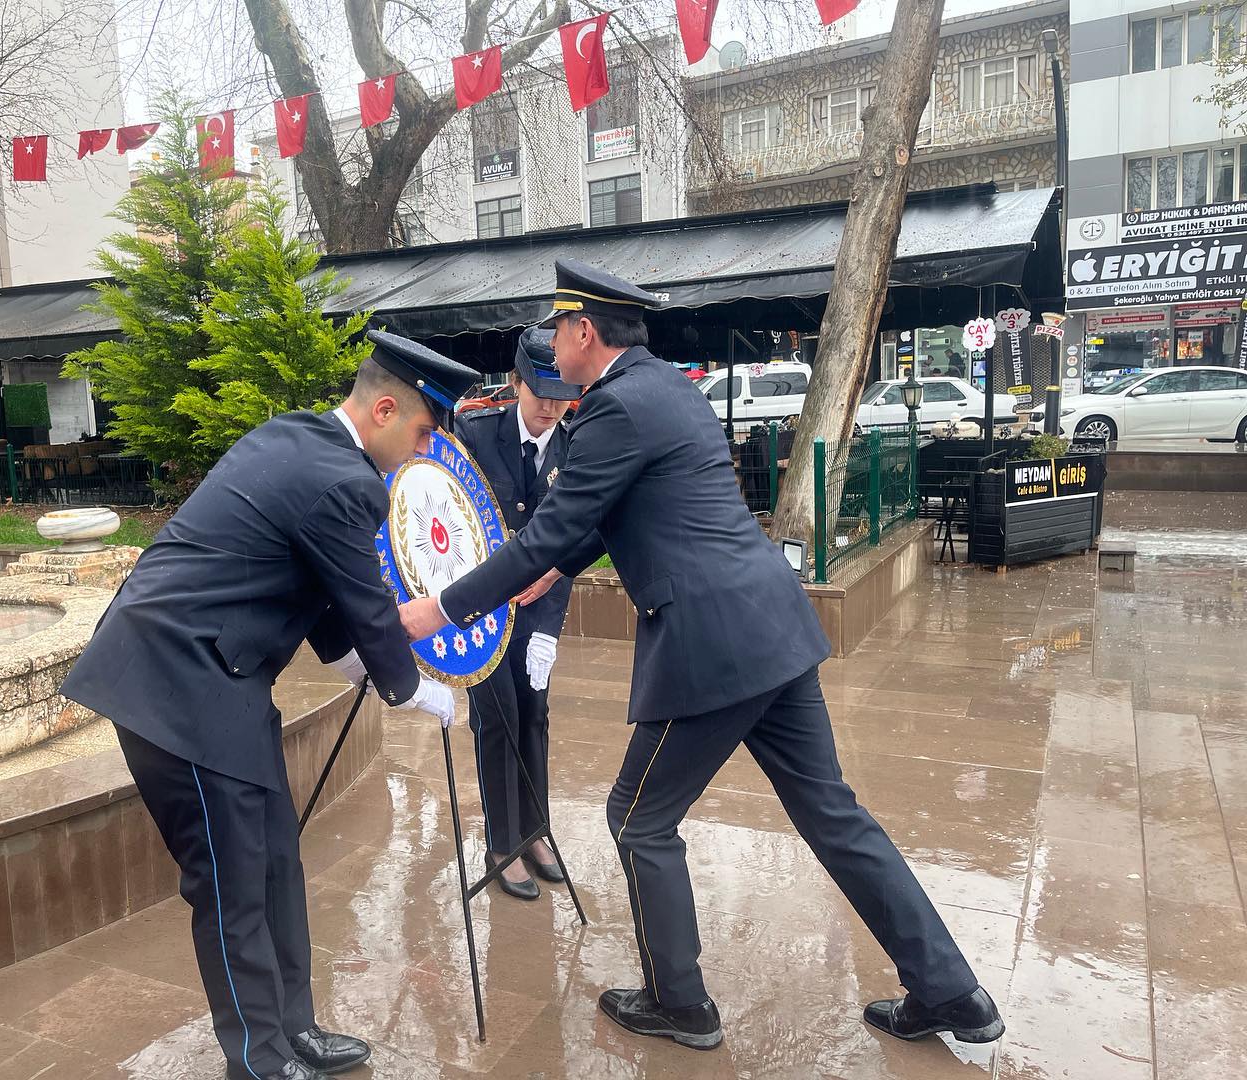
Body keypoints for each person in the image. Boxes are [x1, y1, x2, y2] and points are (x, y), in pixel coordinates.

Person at [399, 260, 1004, 1052]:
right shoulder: (666, 388)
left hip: (711, 642)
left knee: (638, 819)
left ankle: (679, 1002)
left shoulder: (611, 408)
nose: (552, 346)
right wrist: (555, 568)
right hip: (773, 626)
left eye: (558, 330)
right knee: (834, 815)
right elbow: (611, 516)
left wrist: (438, 607)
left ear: (584, 332)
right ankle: (952, 991)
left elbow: (549, 530)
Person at [63, 330, 479, 1080]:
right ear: (384, 410)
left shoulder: (301, 439)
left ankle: (295, 1029)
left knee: (276, 862)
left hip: (220, 680)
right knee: (232, 884)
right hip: (176, 689)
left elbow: (320, 590)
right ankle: (257, 1060)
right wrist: (411, 686)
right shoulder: (343, 480)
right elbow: (366, 604)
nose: (427, 452)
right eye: (424, 433)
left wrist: (359, 663)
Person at [455, 329, 583, 901]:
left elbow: (573, 538)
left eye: (561, 396)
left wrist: (550, 629)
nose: (551, 408)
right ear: (515, 383)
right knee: (498, 717)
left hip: (536, 606)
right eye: (540, 394)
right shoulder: (477, 433)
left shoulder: (576, 447)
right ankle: (502, 843)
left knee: (534, 713)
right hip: (482, 608)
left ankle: (535, 831)